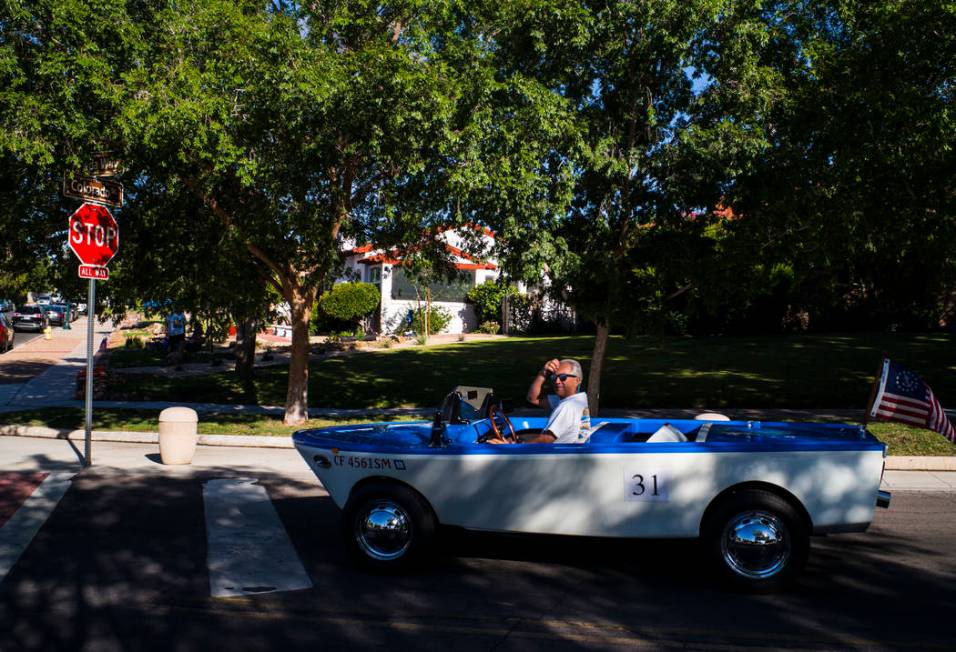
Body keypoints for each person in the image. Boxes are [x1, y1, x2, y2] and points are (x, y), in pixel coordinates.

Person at [487, 358, 590, 444]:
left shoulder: (568, 406)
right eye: (554, 377)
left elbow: (546, 440)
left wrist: (514, 447)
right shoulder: (577, 399)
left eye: (563, 377)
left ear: (578, 380)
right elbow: (532, 399)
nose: (557, 381)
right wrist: (543, 374)